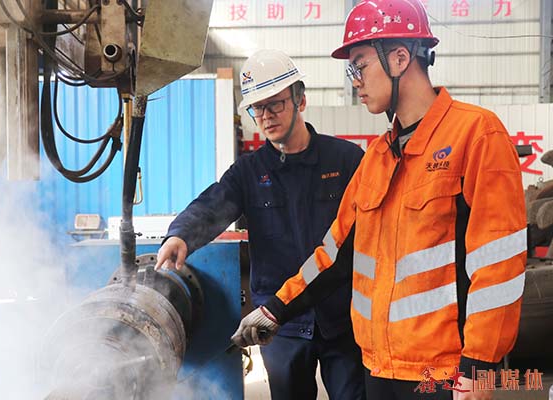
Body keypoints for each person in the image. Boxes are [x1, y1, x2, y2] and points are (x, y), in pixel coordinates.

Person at [232, 2, 527, 400]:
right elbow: (335, 254)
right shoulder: (377, 157)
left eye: (359, 65)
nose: (355, 81)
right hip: (378, 368)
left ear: (400, 58)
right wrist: (275, 309)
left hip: (443, 374)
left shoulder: (476, 135)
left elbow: (499, 263)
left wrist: (479, 368)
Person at [155, 49, 366, 399]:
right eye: (257, 108)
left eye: (275, 104)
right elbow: (213, 204)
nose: (266, 116)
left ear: (300, 99)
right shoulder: (249, 172)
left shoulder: (346, 160)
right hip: (280, 322)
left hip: (341, 315)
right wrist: (180, 236)